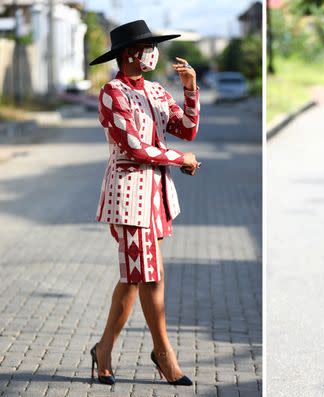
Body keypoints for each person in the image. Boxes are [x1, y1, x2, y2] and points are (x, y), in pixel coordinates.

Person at [88, 20, 200, 386]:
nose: (153, 52)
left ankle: (104, 349)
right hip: (127, 194)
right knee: (149, 275)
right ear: (127, 55)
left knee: (138, 277)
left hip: (156, 194)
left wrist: (190, 91)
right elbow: (134, 147)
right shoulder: (112, 92)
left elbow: (186, 128)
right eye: (146, 46)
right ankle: (164, 354)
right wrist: (179, 158)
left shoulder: (155, 91)